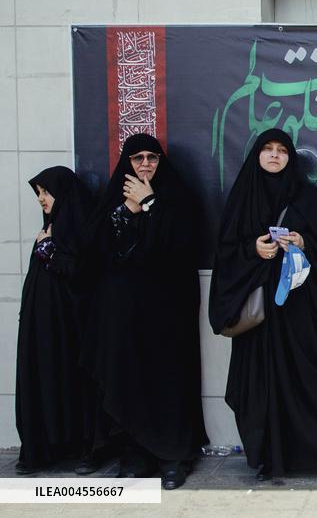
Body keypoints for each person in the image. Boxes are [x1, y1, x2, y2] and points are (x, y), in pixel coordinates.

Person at [209, 129, 317, 488]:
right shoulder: (242, 199)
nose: (273, 155)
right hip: (263, 320)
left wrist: (304, 242)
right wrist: (253, 251)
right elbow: (224, 254)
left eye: (281, 150)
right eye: (267, 149)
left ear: (290, 158)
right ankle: (272, 457)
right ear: (256, 155)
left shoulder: (307, 198)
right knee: (265, 386)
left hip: (302, 317)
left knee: (315, 384)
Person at [83, 134, 207, 490]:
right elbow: (93, 247)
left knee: (168, 379)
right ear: (127, 163)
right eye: (137, 158)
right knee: (129, 378)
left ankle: (173, 456)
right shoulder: (114, 199)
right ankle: (137, 453)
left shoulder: (177, 197)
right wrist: (127, 211)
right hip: (123, 312)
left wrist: (151, 202)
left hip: (169, 311)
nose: (145, 164)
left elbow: (182, 241)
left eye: (152, 157)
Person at [15, 167, 94, 474]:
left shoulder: (78, 231)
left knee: (73, 383)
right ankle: (43, 448)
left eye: (46, 192)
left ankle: (81, 447)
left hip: (70, 328)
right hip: (42, 329)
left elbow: (82, 274)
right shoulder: (48, 230)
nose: (42, 199)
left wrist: (49, 250)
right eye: (39, 193)